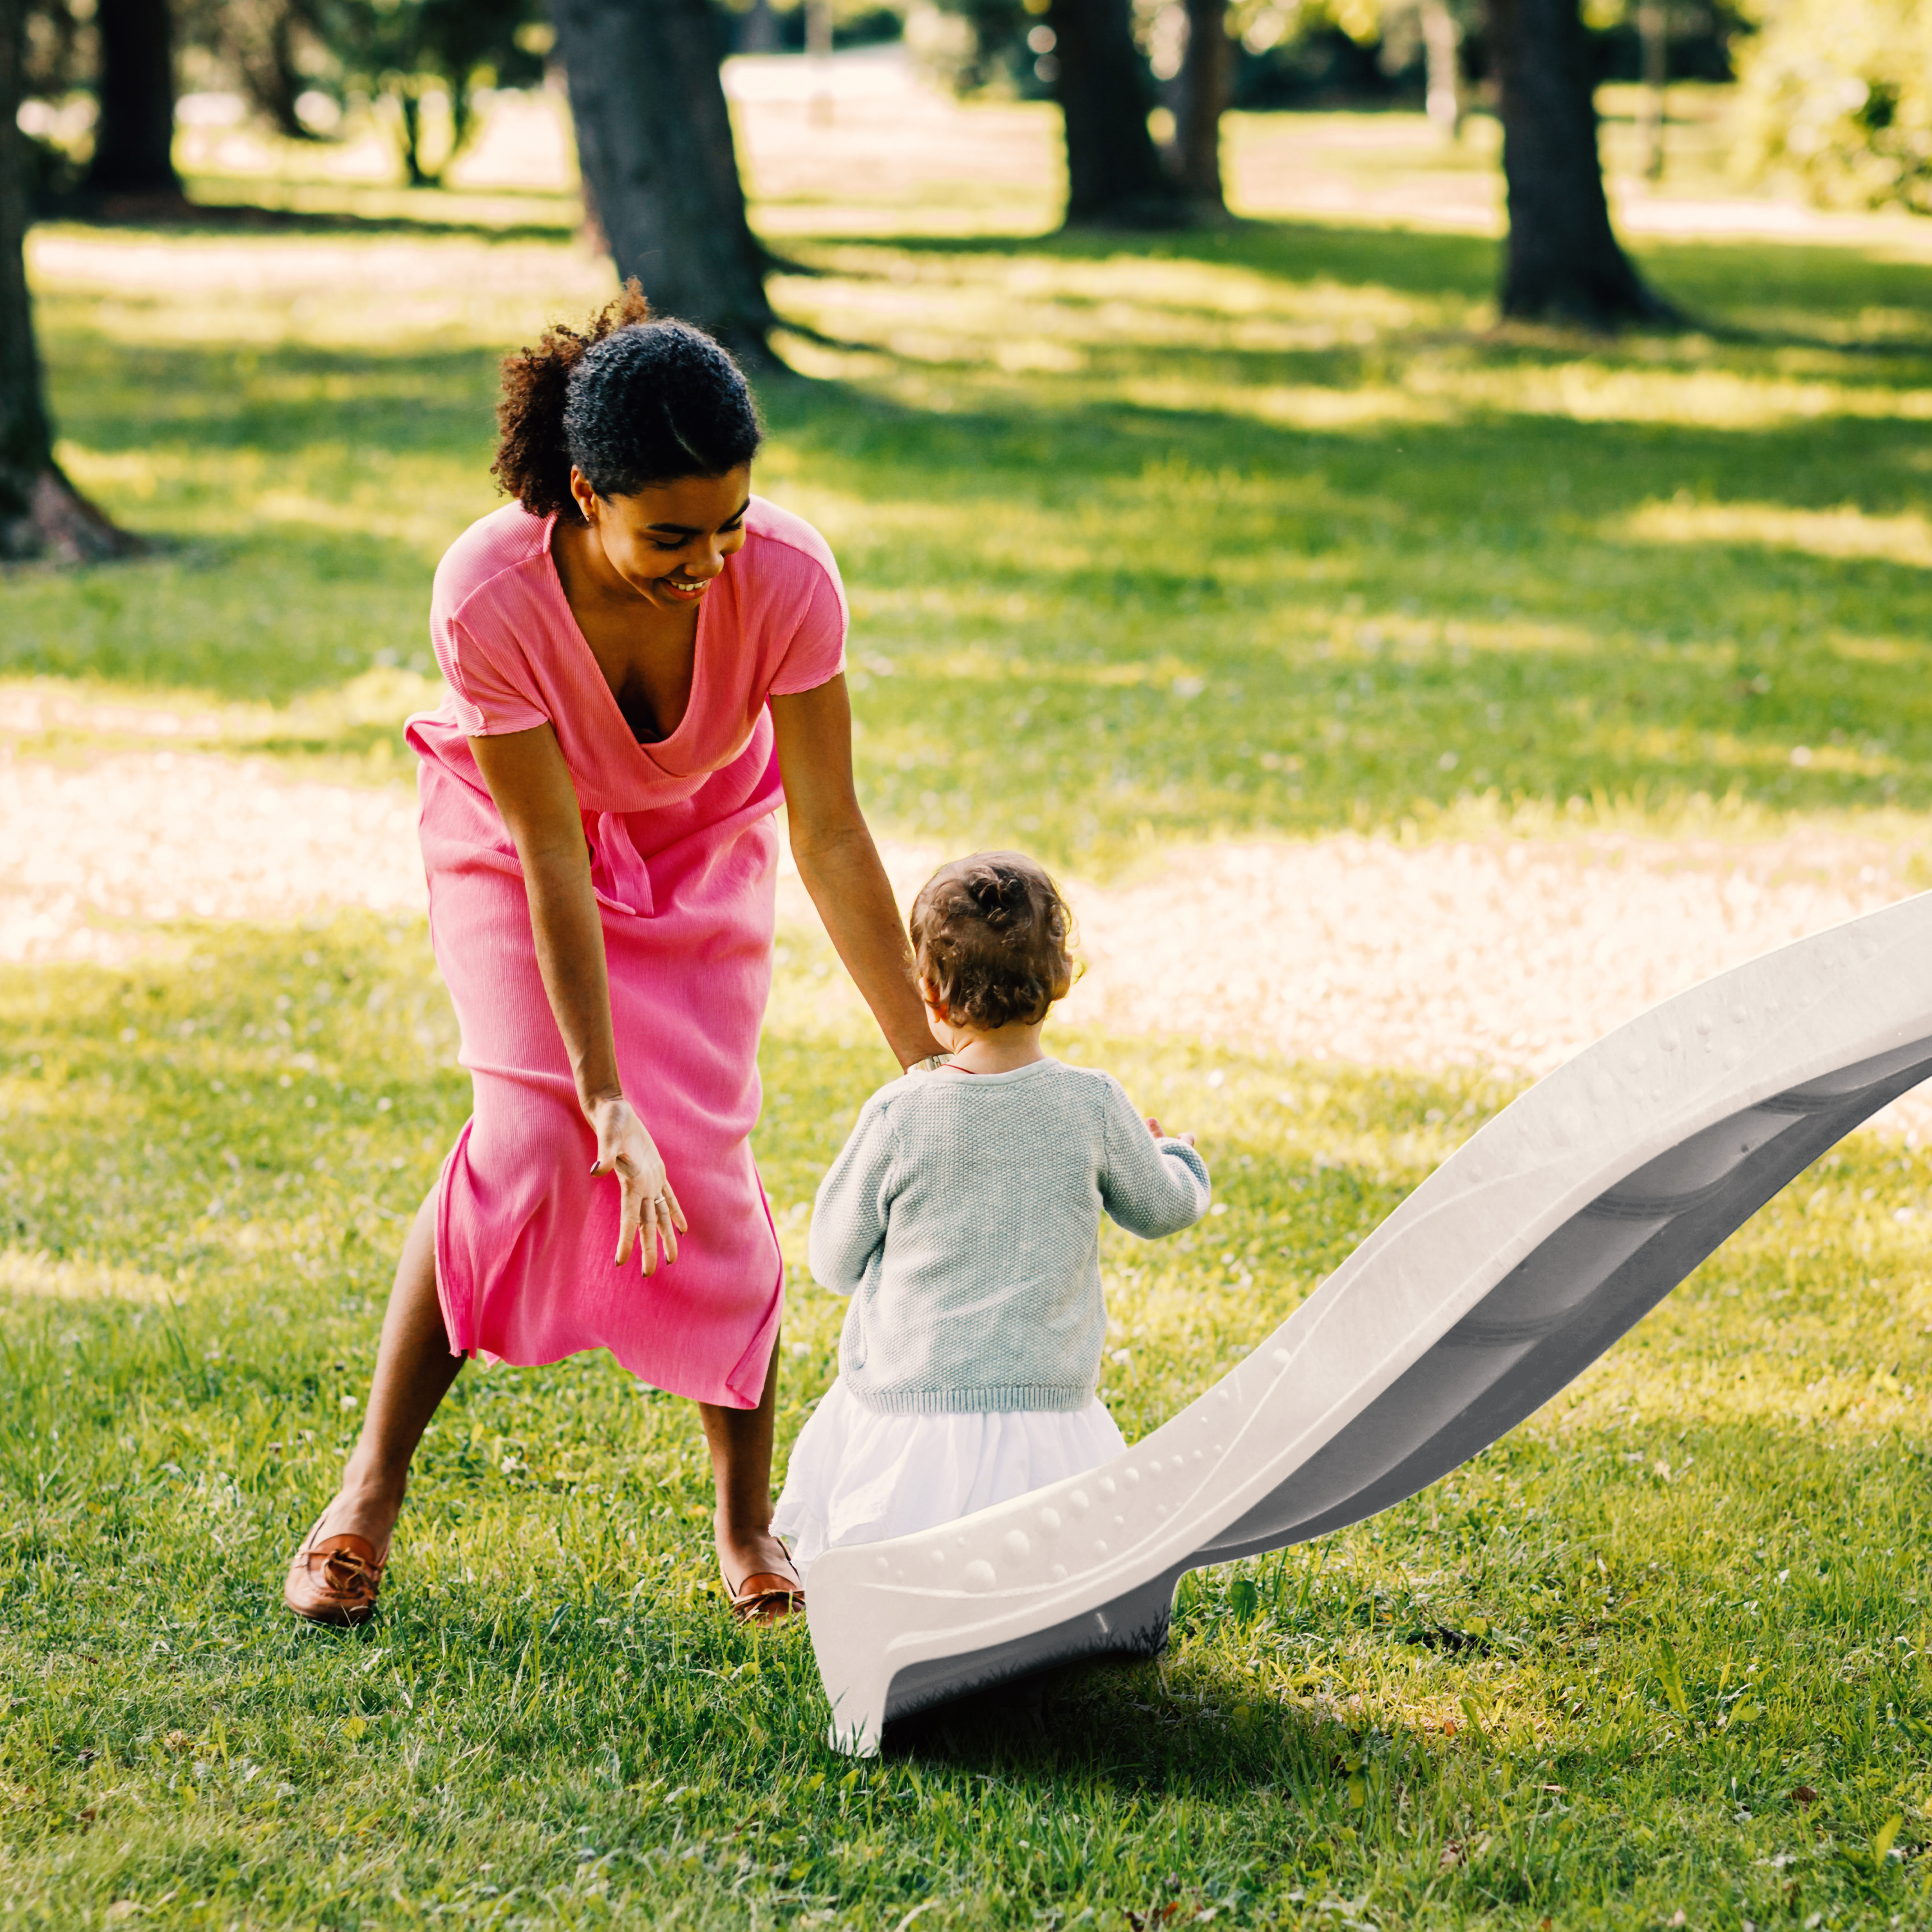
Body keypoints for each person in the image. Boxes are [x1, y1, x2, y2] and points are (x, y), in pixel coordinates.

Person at [283, 287, 943, 1629]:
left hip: (701, 844)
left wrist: (928, 1066)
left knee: (706, 1159)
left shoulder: (791, 579)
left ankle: (746, 1524)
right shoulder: (491, 593)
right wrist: (598, 1091)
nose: (712, 563)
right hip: (521, 851)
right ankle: (365, 1496)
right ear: (587, 496)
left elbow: (828, 831)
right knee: (529, 1141)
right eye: (673, 536)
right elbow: (550, 853)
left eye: (732, 523)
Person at [772, 851, 1211, 1572]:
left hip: (909, 1412)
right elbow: (1162, 1209)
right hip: (1047, 1414)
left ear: (929, 992)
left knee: (903, 1585)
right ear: (1060, 977)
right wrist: (1180, 1160)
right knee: (1044, 1585)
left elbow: (831, 1261)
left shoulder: (899, 1114)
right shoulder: (1094, 1103)